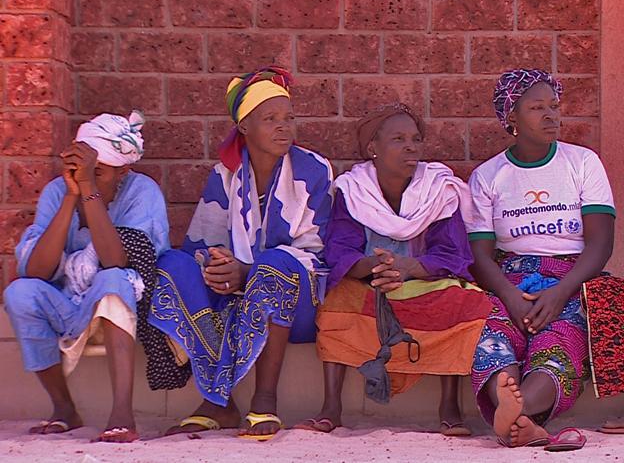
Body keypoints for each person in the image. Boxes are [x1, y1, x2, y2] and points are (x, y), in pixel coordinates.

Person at [149, 66, 333, 441]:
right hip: (236, 296)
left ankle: (265, 399)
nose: (284, 127)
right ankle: (219, 400)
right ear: (244, 128)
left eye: (289, 118)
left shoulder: (313, 170)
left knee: (273, 264)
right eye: (270, 119)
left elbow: (317, 254)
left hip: (298, 304)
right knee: (172, 265)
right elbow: (201, 245)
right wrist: (219, 265)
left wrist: (248, 271)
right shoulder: (225, 175)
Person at [300, 104, 493, 435]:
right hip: (370, 283)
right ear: (373, 148)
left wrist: (409, 267)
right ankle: (331, 405)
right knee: (337, 301)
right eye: (399, 139)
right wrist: (375, 267)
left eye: (416, 139)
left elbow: (453, 253)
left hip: (422, 281)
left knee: (467, 303)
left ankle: (450, 405)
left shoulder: (438, 188)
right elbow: (339, 249)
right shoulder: (354, 190)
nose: (411, 147)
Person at [467, 69, 624, 449]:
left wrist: (563, 290)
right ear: (511, 118)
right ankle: (515, 409)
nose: (551, 115)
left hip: (573, 274)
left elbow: (601, 243)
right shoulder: (488, 176)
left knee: (563, 335)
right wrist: (508, 294)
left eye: (553, 106)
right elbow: (480, 255)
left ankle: (517, 413)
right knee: (491, 331)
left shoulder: (582, 162)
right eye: (537, 108)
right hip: (509, 277)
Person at [4, 111, 170, 443]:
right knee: (20, 292)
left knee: (113, 280)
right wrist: (70, 196)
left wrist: (89, 190)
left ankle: (122, 412)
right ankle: (64, 408)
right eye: (80, 169)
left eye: (98, 172)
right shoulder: (59, 191)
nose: (85, 177)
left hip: (125, 303)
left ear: (122, 171)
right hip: (69, 302)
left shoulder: (141, 191)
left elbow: (116, 259)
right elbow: (36, 270)